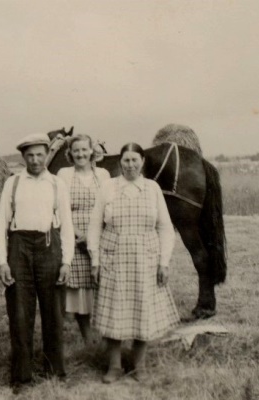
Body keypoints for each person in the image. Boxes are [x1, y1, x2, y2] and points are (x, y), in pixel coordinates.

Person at [87, 142, 179, 383]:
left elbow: (165, 227)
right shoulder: (108, 187)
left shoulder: (152, 188)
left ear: (142, 162)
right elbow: (95, 225)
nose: (130, 165)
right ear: (120, 162)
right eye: (126, 161)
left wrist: (164, 262)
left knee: (143, 310)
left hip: (145, 258)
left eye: (134, 160)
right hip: (113, 256)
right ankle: (115, 366)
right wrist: (95, 260)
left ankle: (140, 366)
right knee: (115, 311)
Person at [0, 133, 74, 390]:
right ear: (23, 157)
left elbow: (68, 225)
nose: (36, 160)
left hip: (50, 246)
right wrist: (2, 262)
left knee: (53, 311)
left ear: (46, 155)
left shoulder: (56, 183)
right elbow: (0, 226)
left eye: (40, 154)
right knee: (19, 313)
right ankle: (21, 377)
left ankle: (55, 371)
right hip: (19, 247)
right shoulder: (13, 183)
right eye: (30, 155)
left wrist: (67, 261)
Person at [56, 134, 110, 344]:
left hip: (101, 235)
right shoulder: (64, 174)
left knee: (103, 284)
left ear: (92, 151)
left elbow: (109, 206)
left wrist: (94, 236)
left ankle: (106, 334)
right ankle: (88, 337)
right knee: (80, 287)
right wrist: (78, 234)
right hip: (74, 236)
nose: (80, 154)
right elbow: (60, 208)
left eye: (84, 150)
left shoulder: (103, 174)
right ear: (70, 153)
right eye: (76, 150)